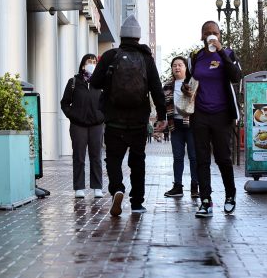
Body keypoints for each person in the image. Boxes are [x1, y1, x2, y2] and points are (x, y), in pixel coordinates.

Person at [93, 14, 166, 216]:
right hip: (138, 121)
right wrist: (162, 116)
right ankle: (137, 202)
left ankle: (117, 188)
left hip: (114, 120)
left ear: (122, 36)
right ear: (138, 37)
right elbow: (157, 89)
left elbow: (95, 83)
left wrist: (109, 80)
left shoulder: (110, 56)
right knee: (138, 161)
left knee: (113, 159)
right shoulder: (146, 58)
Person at [187, 21, 242, 218]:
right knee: (201, 159)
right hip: (200, 114)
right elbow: (191, 81)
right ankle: (205, 201)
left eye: (215, 33)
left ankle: (230, 195)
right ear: (202, 36)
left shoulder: (229, 54)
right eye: (208, 33)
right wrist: (188, 88)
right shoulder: (195, 57)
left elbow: (236, 76)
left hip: (222, 114)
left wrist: (221, 53)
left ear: (220, 35)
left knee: (222, 158)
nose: (211, 36)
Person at [59, 53, 105, 199]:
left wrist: (102, 116)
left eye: (94, 61)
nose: (91, 63)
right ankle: (79, 187)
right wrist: (73, 115)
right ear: (83, 65)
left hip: (96, 125)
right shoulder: (74, 81)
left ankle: (97, 187)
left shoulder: (101, 82)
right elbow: (64, 103)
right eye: (88, 61)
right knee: (79, 156)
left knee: (96, 156)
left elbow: (109, 102)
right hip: (78, 125)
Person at [163, 56, 199, 199]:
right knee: (177, 157)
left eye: (180, 65)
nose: (177, 68)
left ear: (185, 67)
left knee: (193, 157)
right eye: (174, 65)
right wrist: (163, 120)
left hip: (191, 124)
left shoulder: (193, 83)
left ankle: (195, 186)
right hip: (175, 125)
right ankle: (178, 186)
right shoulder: (167, 86)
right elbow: (163, 105)